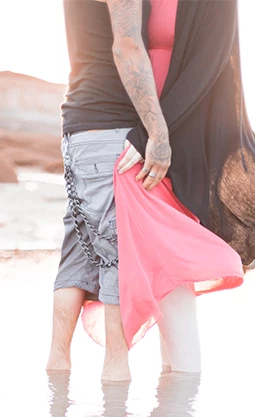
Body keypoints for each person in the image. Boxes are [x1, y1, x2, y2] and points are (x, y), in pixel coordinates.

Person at [46, 0, 171, 382]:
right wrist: (158, 132)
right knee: (120, 254)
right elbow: (127, 45)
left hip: (80, 129)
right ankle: (116, 377)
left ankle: (57, 375)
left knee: (79, 254)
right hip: (110, 130)